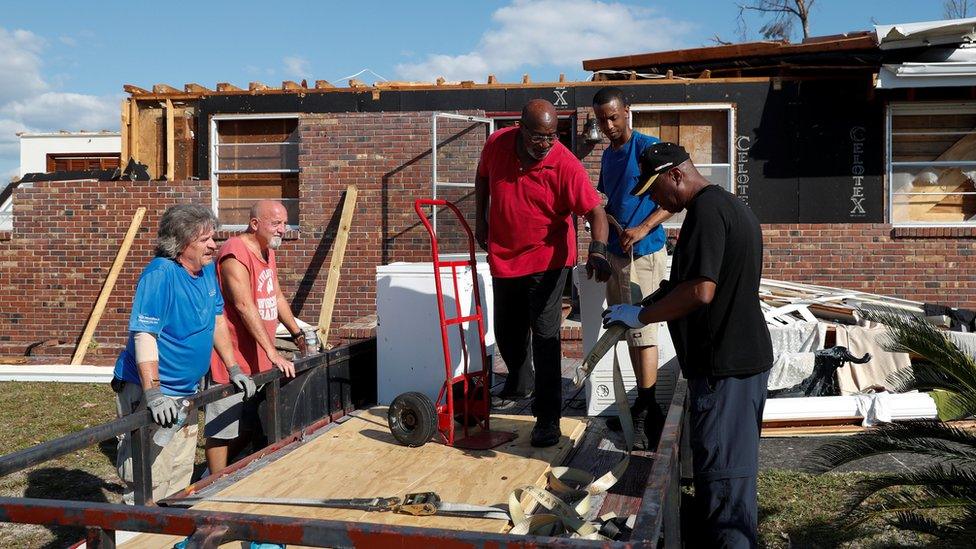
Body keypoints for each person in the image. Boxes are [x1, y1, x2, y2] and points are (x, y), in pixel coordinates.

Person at [602, 142, 773, 548]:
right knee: (729, 474)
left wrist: (642, 318)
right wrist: (646, 302)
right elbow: (685, 282)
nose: (654, 202)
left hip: (726, 367)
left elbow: (700, 291)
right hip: (737, 362)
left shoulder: (707, 213)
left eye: (656, 190)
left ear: (676, 175)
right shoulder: (726, 205)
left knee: (725, 480)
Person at [475, 98, 611, 448]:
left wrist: (597, 251)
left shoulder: (564, 164)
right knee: (507, 330)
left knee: (546, 336)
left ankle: (548, 419)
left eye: (551, 136)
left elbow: (596, 213)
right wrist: (481, 220)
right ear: (521, 128)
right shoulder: (497, 143)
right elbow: (483, 178)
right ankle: (521, 382)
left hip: (548, 260)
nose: (545, 144)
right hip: (505, 255)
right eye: (538, 136)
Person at [112, 204, 255, 505]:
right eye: (205, 240)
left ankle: (169, 529)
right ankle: (141, 534)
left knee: (179, 470)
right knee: (148, 476)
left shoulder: (204, 274)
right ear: (181, 241)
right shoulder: (160, 275)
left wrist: (234, 368)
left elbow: (216, 322)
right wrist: (154, 393)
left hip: (186, 393)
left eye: (213, 238)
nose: (214, 245)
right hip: (151, 392)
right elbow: (145, 336)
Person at [592, 86, 672, 447]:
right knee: (626, 330)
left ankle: (650, 411)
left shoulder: (647, 146)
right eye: (601, 120)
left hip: (644, 255)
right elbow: (604, 203)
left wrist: (641, 228)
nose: (608, 125)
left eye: (613, 116)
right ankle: (642, 405)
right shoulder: (608, 157)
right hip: (616, 255)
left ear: (627, 111)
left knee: (644, 333)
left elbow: (676, 197)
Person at [205, 200, 307, 474]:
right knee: (222, 427)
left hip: (259, 354)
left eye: (285, 223)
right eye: (276, 223)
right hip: (233, 356)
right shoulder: (234, 252)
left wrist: (297, 332)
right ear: (255, 224)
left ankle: (226, 471)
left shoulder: (267, 251)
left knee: (250, 423)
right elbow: (243, 305)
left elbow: (275, 295)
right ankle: (213, 483)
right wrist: (273, 352)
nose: (283, 229)